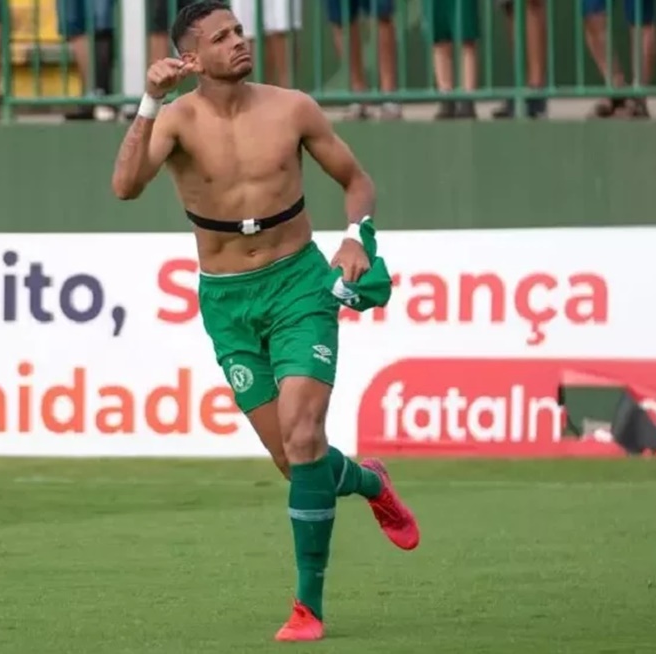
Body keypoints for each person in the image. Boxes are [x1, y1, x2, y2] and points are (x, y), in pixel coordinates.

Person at [110, 0, 420, 643]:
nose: (239, 42)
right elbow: (124, 186)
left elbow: (356, 179)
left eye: (239, 31)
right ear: (192, 58)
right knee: (293, 462)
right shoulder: (175, 121)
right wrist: (146, 101)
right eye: (221, 37)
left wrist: (358, 236)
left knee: (306, 437)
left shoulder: (292, 107)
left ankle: (309, 607)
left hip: (300, 285)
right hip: (227, 301)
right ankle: (367, 480)